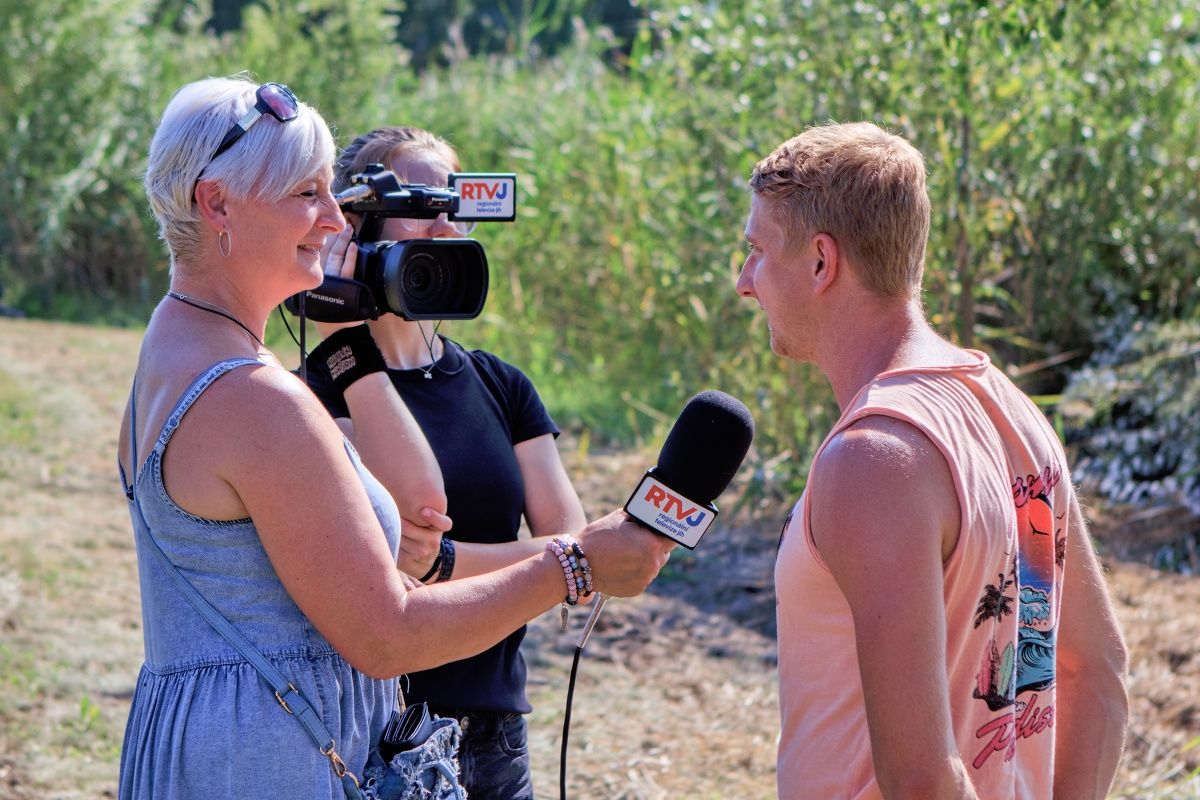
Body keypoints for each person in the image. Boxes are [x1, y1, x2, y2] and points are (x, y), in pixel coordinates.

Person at [117, 76, 673, 800]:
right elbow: (386, 635)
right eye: (307, 194)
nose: (334, 221)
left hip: (193, 741)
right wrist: (573, 566)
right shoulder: (258, 400)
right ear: (215, 202)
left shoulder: (169, 348)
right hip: (269, 759)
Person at [735, 122, 1129, 799]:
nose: (745, 282)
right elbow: (1097, 668)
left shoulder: (872, 458)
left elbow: (922, 780)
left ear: (821, 262)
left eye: (757, 252)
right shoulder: (1011, 410)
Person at [301, 126, 587, 800]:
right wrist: (538, 565)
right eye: (423, 206)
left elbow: (579, 557)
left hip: (496, 735)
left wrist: (447, 562)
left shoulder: (502, 384)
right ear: (355, 228)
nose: (444, 226)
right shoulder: (314, 390)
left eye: (451, 208)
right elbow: (385, 567)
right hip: (373, 731)